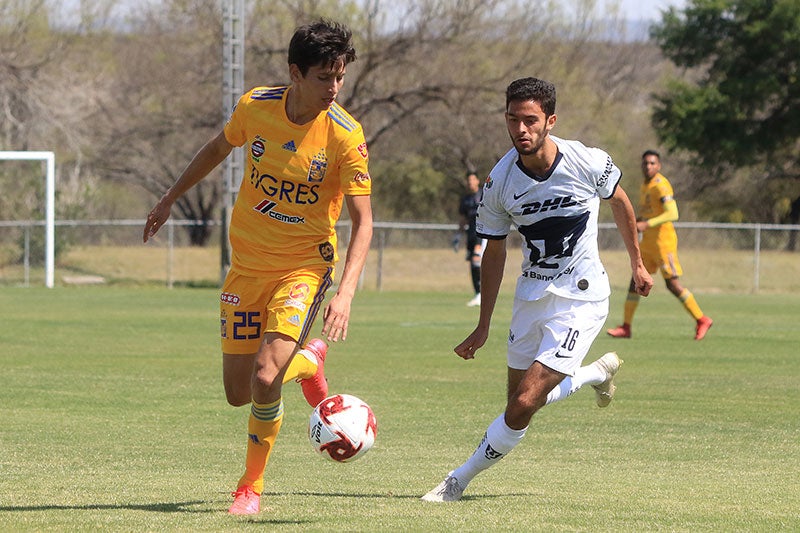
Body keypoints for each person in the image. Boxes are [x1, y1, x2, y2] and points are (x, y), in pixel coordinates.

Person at [142, 20, 373, 515]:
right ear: (294, 72)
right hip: (246, 268)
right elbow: (216, 148)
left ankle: (250, 487)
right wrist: (170, 198)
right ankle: (310, 362)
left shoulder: (345, 135)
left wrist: (347, 292)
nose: (333, 88)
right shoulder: (255, 107)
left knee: (267, 379)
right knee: (237, 392)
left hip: (304, 269)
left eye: (340, 77)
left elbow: (363, 221)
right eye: (322, 77)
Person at [421, 77, 653, 502]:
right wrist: (482, 324)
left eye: (530, 120)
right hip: (531, 296)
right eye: (513, 120)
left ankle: (457, 479)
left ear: (550, 120)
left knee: (524, 403)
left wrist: (637, 262)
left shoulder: (585, 160)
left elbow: (619, 200)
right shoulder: (500, 181)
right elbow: (494, 252)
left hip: (582, 296)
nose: (521, 129)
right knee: (519, 403)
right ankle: (595, 373)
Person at [606, 150, 713, 340]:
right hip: (647, 244)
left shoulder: (661, 186)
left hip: (663, 244)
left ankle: (701, 319)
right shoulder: (645, 186)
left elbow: (673, 213)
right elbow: (648, 213)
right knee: (635, 282)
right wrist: (637, 221)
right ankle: (626, 327)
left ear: (659, 166)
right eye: (645, 163)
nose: (648, 166)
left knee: (672, 285)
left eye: (652, 163)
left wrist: (648, 223)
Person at [456, 171, 487, 307]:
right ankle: (477, 294)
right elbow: (463, 219)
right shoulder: (465, 199)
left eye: (472, 180)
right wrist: (458, 235)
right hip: (471, 235)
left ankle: (483, 294)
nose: (470, 183)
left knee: (477, 260)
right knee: (472, 264)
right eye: (468, 181)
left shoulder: (484, 195)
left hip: (483, 233)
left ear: (477, 181)